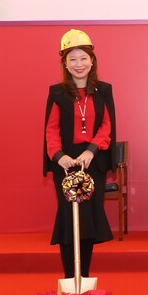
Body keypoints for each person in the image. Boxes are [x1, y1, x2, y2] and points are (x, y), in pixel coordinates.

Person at [43, 29, 116, 279]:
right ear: (64, 62)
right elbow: (51, 130)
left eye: (83, 58)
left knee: (88, 221)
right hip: (65, 164)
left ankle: (83, 276)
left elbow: (107, 126)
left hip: (92, 162)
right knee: (68, 221)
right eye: (72, 59)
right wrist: (59, 156)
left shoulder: (104, 91)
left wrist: (91, 150)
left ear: (92, 60)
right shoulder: (56, 92)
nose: (79, 64)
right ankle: (69, 277)